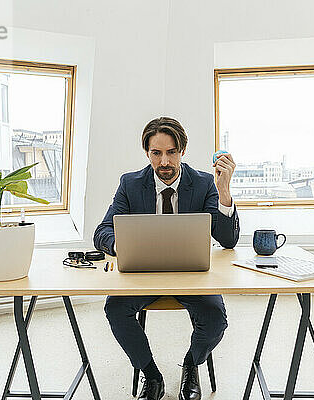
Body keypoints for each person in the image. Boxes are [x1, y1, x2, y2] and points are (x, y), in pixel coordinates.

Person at [94, 117, 239, 400]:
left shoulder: (204, 183)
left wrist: (224, 191)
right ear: (147, 153)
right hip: (143, 275)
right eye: (156, 153)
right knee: (115, 309)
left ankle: (190, 365)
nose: (164, 162)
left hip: (192, 275)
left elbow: (228, 240)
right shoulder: (131, 184)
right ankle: (151, 374)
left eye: (171, 152)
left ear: (183, 150)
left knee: (215, 319)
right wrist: (122, 246)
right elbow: (102, 231)